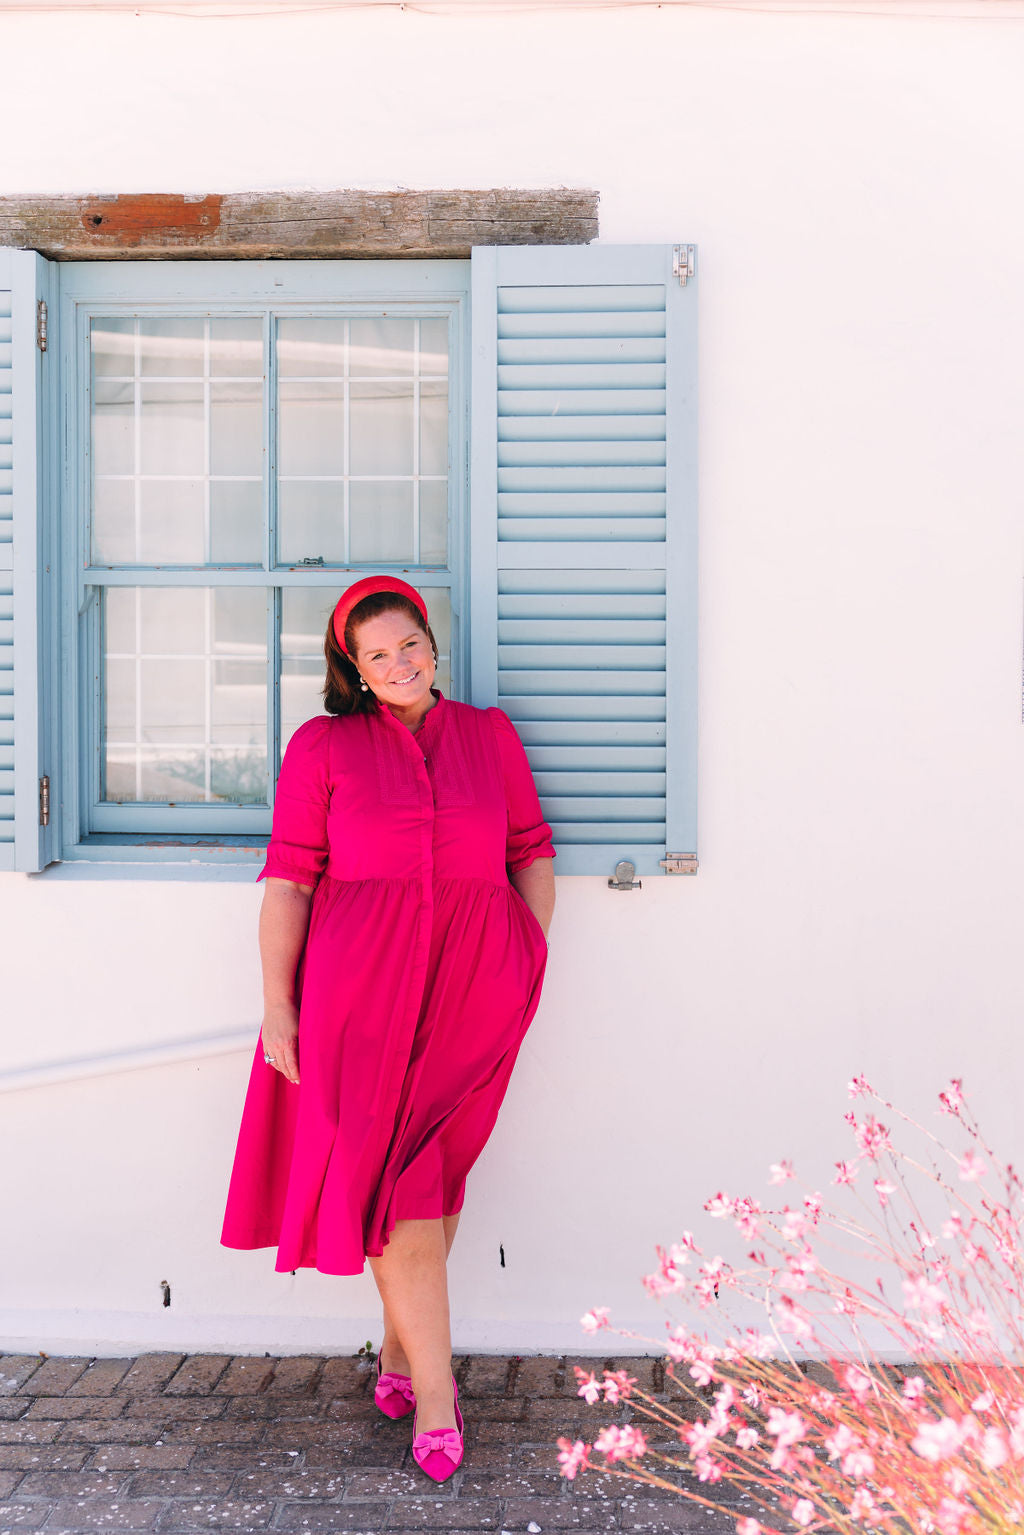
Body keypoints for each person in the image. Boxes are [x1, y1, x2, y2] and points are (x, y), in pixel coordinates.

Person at [220, 575, 555, 1483]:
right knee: (398, 1187)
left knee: (435, 1179)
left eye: (410, 642)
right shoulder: (323, 746)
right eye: (378, 654)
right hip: (356, 997)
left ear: (430, 642)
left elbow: (530, 854)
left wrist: (526, 958)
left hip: (474, 994)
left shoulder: (489, 735)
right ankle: (439, 1400)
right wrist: (278, 1003)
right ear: (355, 670)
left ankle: (403, 1353)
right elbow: (290, 880)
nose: (400, 662)